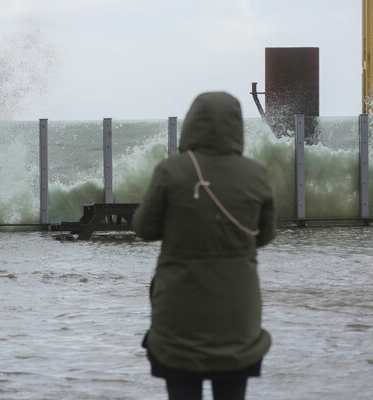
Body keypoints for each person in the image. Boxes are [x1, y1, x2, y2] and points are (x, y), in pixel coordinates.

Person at [133, 92, 275, 400]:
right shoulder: (256, 174)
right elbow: (263, 236)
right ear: (237, 127)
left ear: (191, 124)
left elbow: (144, 228)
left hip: (179, 314)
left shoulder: (171, 171)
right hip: (238, 315)